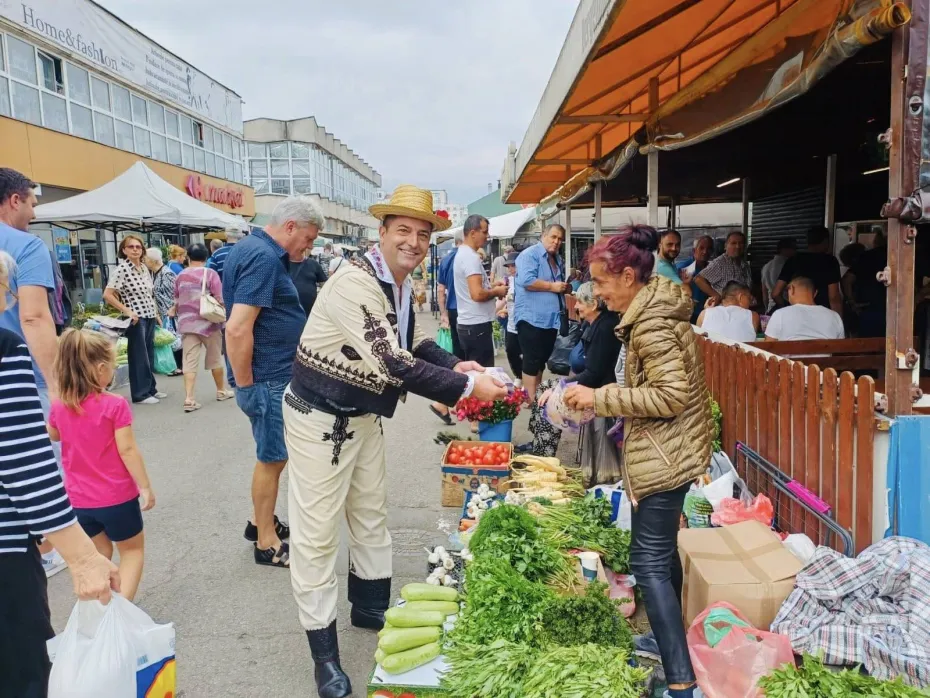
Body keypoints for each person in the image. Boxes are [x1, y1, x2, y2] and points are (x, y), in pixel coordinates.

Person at [283, 185, 507, 698]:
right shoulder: (355, 283)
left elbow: (412, 341)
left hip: (362, 415)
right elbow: (392, 361)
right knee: (317, 536)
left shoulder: (395, 282)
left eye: (422, 234)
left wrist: (458, 364)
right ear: (381, 232)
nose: (413, 242)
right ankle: (324, 657)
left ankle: (369, 608)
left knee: (369, 513)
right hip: (320, 418)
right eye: (402, 230)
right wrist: (468, 388)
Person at [563, 224, 712, 698]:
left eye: (601, 282)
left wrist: (599, 397)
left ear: (628, 277)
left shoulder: (651, 323)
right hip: (669, 449)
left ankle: (681, 680)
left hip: (666, 455)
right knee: (660, 555)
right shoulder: (651, 312)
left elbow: (671, 395)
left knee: (648, 563)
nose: (596, 292)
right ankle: (674, 644)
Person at [0, 252, 120, 698]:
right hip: (5, 555)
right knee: (23, 674)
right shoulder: (4, 349)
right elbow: (20, 457)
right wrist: (83, 557)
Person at [224, 195, 322, 568]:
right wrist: (247, 385)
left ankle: (259, 522)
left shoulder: (253, 249)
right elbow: (237, 328)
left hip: (268, 375)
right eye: (308, 239)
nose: (308, 248)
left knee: (273, 455)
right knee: (273, 457)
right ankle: (266, 541)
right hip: (267, 377)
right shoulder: (264, 257)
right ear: (291, 226)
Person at [48, 329, 156, 602]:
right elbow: (127, 450)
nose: (113, 371)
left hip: (79, 501)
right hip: (116, 497)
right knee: (131, 551)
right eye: (112, 366)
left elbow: (54, 435)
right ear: (99, 369)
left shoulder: (59, 406)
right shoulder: (114, 405)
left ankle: (100, 607)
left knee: (100, 553)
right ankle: (120, 613)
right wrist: (145, 486)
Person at [0, 168, 68, 575]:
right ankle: (45, 548)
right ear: (14, 200)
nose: (34, 213)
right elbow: (35, 317)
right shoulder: (26, 246)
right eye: (31, 203)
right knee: (36, 463)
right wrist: (58, 385)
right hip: (18, 371)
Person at [530, 282, 623, 485]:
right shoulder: (593, 324)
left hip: (601, 391)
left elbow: (594, 375)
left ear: (594, 304)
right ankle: (539, 452)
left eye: (580, 302)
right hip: (591, 384)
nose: (577, 306)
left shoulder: (605, 328)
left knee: (549, 400)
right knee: (544, 389)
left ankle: (543, 459)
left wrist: (560, 388)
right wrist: (560, 385)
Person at [171, 243, 234, 412]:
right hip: (209, 322)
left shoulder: (180, 275)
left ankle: (189, 398)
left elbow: (176, 298)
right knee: (215, 358)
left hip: (187, 323)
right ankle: (221, 391)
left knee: (189, 361)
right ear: (206, 257)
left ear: (188, 257)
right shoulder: (210, 273)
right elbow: (220, 297)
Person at [104, 235, 165, 405]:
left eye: (138, 247)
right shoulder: (122, 269)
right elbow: (108, 294)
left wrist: (156, 314)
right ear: (124, 250)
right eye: (131, 247)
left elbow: (149, 294)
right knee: (139, 356)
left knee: (149, 354)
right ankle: (140, 394)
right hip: (136, 318)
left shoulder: (144, 268)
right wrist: (127, 311)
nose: (135, 250)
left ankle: (151, 388)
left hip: (149, 314)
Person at [514, 223, 570, 401]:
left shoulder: (557, 258)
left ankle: (536, 397)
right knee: (531, 360)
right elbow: (527, 281)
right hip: (531, 318)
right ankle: (531, 400)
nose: (557, 241)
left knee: (540, 362)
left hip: (550, 319)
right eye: (553, 237)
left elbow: (556, 285)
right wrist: (552, 287)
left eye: (560, 239)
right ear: (543, 236)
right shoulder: (530, 255)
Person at [454, 214, 506, 369]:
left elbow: (472, 287)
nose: (487, 236)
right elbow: (476, 294)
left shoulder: (463, 254)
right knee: (483, 372)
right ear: (472, 233)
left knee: (474, 371)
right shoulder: (470, 257)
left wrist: (492, 286)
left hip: (469, 323)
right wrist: (496, 291)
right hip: (476, 324)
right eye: (484, 232)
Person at [771, 226, 842, 315]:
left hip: (797, 315)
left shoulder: (793, 260)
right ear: (826, 241)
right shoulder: (830, 261)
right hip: (821, 315)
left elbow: (775, 294)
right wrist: (838, 319)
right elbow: (834, 297)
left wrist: (786, 308)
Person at [430, 238, 463, 425]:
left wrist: (443, 314)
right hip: (468, 314)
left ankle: (444, 402)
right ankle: (444, 403)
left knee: (459, 360)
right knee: (467, 362)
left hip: (453, 310)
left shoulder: (447, 259)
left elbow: (440, 290)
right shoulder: (468, 257)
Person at [765, 276, 845, 341]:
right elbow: (840, 348)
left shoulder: (780, 314)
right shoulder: (834, 316)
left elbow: (768, 347)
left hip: (791, 357)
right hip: (825, 357)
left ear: (792, 289)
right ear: (815, 293)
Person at [144, 247, 183, 377]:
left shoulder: (167, 274)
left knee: (174, 338)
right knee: (171, 338)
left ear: (153, 260)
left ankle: (178, 366)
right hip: (164, 312)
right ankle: (174, 366)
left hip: (171, 312)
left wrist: (173, 308)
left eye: (145, 259)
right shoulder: (155, 273)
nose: (144, 261)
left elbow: (177, 293)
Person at [844, 231, 887, 337]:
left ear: (876, 242)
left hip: (868, 309)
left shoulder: (867, 257)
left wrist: (852, 302)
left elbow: (847, 280)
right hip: (897, 309)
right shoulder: (903, 257)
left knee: (868, 343)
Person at [693, 231, 752, 304]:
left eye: (741, 243)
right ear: (725, 246)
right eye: (733, 243)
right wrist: (717, 296)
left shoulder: (745, 265)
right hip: (726, 308)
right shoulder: (720, 263)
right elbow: (698, 279)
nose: (737, 246)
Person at [495, 251, 522, 381]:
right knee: (511, 351)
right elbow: (503, 301)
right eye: (509, 266)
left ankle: (527, 378)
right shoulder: (508, 282)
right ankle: (519, 376)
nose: (511, 269)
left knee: (527, 354)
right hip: (511, 325)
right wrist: (495, 311)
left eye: (513, 265)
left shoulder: (526, 281)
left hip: (525, 324)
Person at [677, 235, 714, 323]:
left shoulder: (712, 268)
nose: (705, 252)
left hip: (706, 313)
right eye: (701, 248)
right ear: (694, 250)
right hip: (687, 314)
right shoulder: (685, 267)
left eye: (709, 249)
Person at [289, 248, 328, 318]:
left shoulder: (314, 264)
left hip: (311, 312)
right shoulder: (283, 263)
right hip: (290, 311)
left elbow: (325, 286)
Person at [760, 238, 796, 312]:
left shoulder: (766, 266)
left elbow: (764, 294)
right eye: (794, 248)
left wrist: (767, 309)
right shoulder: (787, 266)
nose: (795, 251)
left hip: (771, 308)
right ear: (784, 249)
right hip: (785, 307)